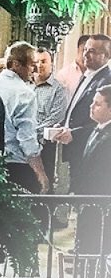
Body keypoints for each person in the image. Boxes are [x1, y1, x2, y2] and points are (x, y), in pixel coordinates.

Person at [0, 41, 48, 193]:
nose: (36, 70)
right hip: (15, 165)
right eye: (32, 65)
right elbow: (27, 138)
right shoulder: (25, 94)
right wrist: (40, 172)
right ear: (16, 64)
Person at [52, 34, 111, 191]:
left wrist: (74, 134)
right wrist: (64, 124)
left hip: (91, 149)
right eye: (85, 49)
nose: (85, 54)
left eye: (92, 51)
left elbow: (104, 121)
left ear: (106, 55)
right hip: (72, 148)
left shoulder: (107, 80)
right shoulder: (86, 76)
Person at [67, 86, 111, 252]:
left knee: (95, 242)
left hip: (100, 200)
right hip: (86, 197)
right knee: (85, 238)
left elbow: (100, 172)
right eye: (92, 102)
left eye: (98, 104)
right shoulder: (96, 129)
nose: (91, 107)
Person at [33, 48, 67, 188]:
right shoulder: (25, 85)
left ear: (52, 64)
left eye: (44, 61)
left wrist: (31, 133)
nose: (39, 65)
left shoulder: (58, 90)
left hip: (45, 148)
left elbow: (55, 118)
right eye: (36, 61)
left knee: (44, 188)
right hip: (21, 149)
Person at [55, 33, 92, 98]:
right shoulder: (64, 75)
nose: (86, 54)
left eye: (91, 51)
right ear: (78, 49)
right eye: (84, 50)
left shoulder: (96, 74)